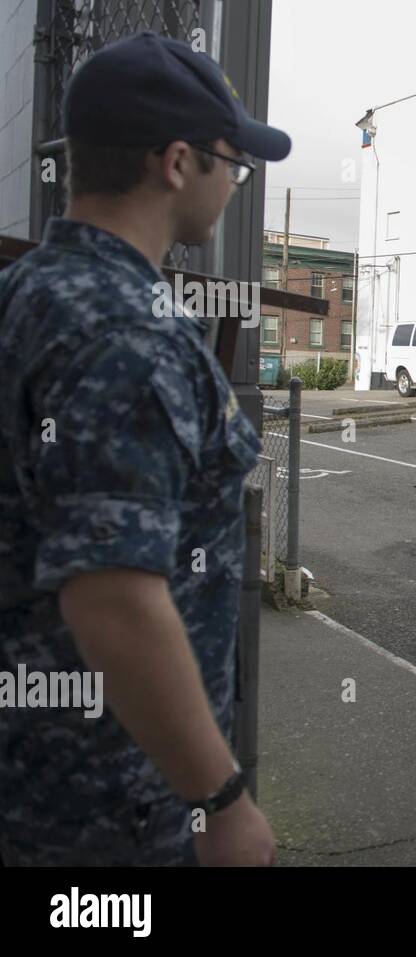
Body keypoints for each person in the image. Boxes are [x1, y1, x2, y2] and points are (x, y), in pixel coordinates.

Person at [0, 32, 290, 865]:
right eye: (232, 163)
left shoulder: (26, 292)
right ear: (175, 163)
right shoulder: (126, 331)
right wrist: (223, 798)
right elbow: (114, 599)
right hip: (108, 807)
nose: (235, 183)